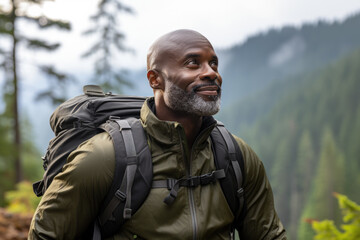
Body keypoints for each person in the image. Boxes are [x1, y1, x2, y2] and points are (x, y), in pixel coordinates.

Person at [28, 29, 286, 239]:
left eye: (213, 63)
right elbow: (45, 234)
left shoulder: (235, 156)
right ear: (155, 79)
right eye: (193, 63)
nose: (211, 73)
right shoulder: (106, 156)